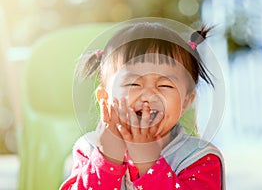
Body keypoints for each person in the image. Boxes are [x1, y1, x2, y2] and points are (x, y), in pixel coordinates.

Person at [60, 20, 225, 190]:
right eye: (133, 84)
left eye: (165, 85)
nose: (148, 95)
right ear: (104, 98)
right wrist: (107, 161)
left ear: (186, 102)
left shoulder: (198, 158)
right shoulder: (88, 150)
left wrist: (149, 164)